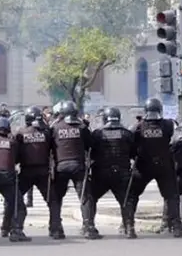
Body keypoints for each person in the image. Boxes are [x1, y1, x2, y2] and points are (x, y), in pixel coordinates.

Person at [129, 98, 182, 237]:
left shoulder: (138, 126)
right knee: (171, 196)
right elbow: (178, 141)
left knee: (132, 195)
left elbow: (130, 146)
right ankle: (177, 227)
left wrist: (136, 155)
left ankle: (128, 226)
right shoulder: (169, 124)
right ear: (160, 110)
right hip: (164, 166)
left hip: (143, 166)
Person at [89, 107, 137, 239]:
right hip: (122, 172)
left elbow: (91, 153)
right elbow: (133, 153)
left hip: (101, 173)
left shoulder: (98, 134)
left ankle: (89, 227)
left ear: (105, 118)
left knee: (91, 199)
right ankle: (129, 228)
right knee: (126, 200)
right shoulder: (127, 134)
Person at [50, 101, 92, 239]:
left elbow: (50, 146)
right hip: (78, 166)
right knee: (85, 197)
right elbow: (90, 145)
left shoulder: (55, 127)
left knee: (57, 198)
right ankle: (88, 227)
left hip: (61, 167)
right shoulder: (82, 127)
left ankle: (56, 228)